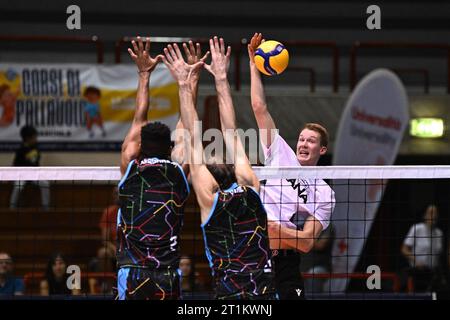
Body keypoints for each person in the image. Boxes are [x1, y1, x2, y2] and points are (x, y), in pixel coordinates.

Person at [163, 36, 276, 300]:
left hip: (230, 296)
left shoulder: (208, 200)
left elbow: (192, 136)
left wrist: (184, 83)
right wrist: (221, 79)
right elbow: (231, 132)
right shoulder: (250, 187)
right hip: (265, 296)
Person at [247, 33, 336, 299]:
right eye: (301, 139)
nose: (303, 144)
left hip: (286, 261)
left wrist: (274, 228)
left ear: (322, 149)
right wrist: (253, 66)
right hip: (254, 252)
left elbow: (308, 243)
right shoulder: (279, 154)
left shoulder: (324, 193)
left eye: (311, 141)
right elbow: (259, 107)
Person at [116, 36, 190, 300]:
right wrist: (188, 79)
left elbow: (139, 117)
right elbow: (187, 126)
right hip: (167, 273)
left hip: (132, 271)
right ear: (170, 149)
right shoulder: (178, 171)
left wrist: (144, 74)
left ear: (139, 147)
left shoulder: (130, 167)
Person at [401, 204, 444, 292]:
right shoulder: (417, 228)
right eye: (431, 213)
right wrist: (416, 261)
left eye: (436, 213)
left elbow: (438, 257)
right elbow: (404, 249)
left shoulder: (439, 233)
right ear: (425, 215)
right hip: (417, 273)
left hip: (432, 276)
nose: (434, 215)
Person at [9, 125, 50, 210]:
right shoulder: (20, 150)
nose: (36, 139)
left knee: (45, 184)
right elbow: (15, 165)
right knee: (18, 186)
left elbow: (36, 163)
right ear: (27, 138)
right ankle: (12, 208)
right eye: (34, 137)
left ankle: (46, 207)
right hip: (21, 175)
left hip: (34, 175)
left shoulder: (36, 149)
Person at [300, 223, 335, 294]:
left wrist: (304, 239)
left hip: (321, 266)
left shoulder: (327, 226)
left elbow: (320, 245)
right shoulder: (302, 224)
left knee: (313, 273)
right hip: (303, 267)